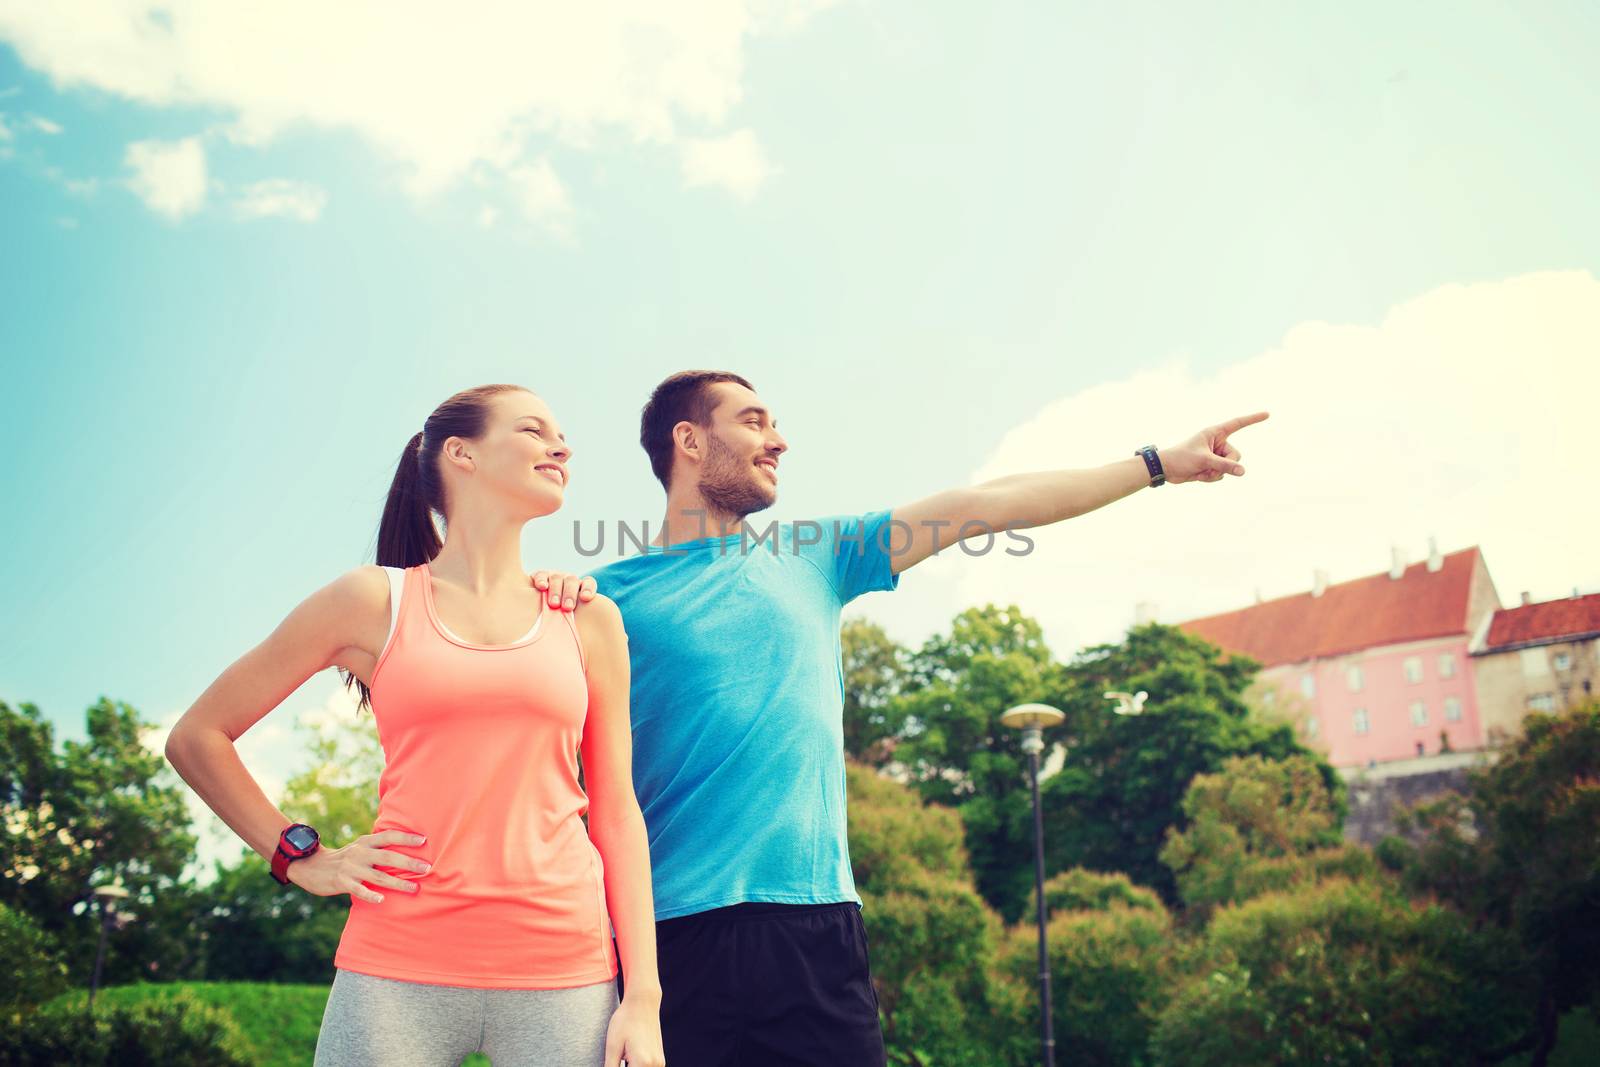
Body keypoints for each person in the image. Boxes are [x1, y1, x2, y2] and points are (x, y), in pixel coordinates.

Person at [534, 370, 1266, 1065]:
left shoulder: (817, 556)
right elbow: (507, 738)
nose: (779, 440)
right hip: (669, 939)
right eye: (753, 421)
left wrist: (1158, 463)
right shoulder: (601, 600)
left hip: (816, 927)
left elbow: (994, 502)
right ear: (688, 441)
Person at [164, 384, 665, 1067]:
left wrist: (644, 997)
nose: (562, 445)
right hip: (395, 969)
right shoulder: (373, 600)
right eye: (533, 429)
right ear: (461, 453)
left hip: (565, 968)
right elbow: (198, 736)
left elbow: (616, 813)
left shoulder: (587, 618)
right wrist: (303, 856)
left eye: (561, 433)